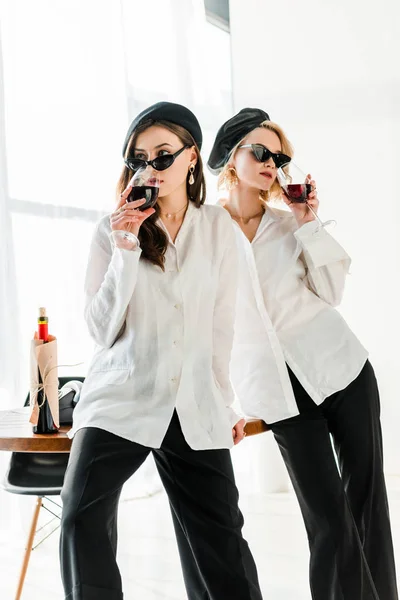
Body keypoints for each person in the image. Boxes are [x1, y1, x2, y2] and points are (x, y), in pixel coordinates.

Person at [59, 102, 263, 600]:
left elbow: (221, 327)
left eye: (163, 156)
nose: (150, 169)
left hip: (192, 402)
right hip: (119, 398)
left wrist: (225, 400)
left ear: (191, 157)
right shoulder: (111, 233)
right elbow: (102, 330)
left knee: (222, 545)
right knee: (79, 518)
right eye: (139, 159)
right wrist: (125, 248)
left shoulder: (217, 228)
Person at [205, 107, 399, 600]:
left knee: (367, 504)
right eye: (261, 151)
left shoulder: (289, 224)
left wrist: (308, 222)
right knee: (327, 520)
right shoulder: (206, 234)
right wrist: (222, 400)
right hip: (276, 393)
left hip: (342, 371)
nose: (273, 162)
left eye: (280, 155)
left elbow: (332, 291)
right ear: (231, 158)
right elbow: (209, 328)